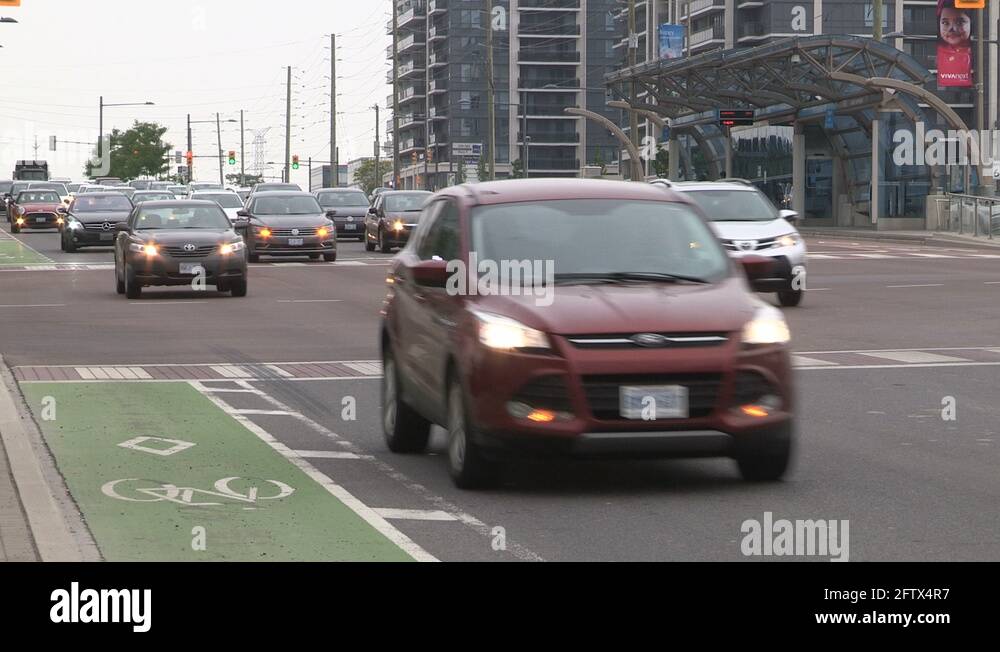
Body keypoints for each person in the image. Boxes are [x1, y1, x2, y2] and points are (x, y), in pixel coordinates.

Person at [936, 0, 973, 88]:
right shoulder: (939, 52)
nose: (952, 29)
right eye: (945, 23)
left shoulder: (976, 51)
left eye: (959, 22)